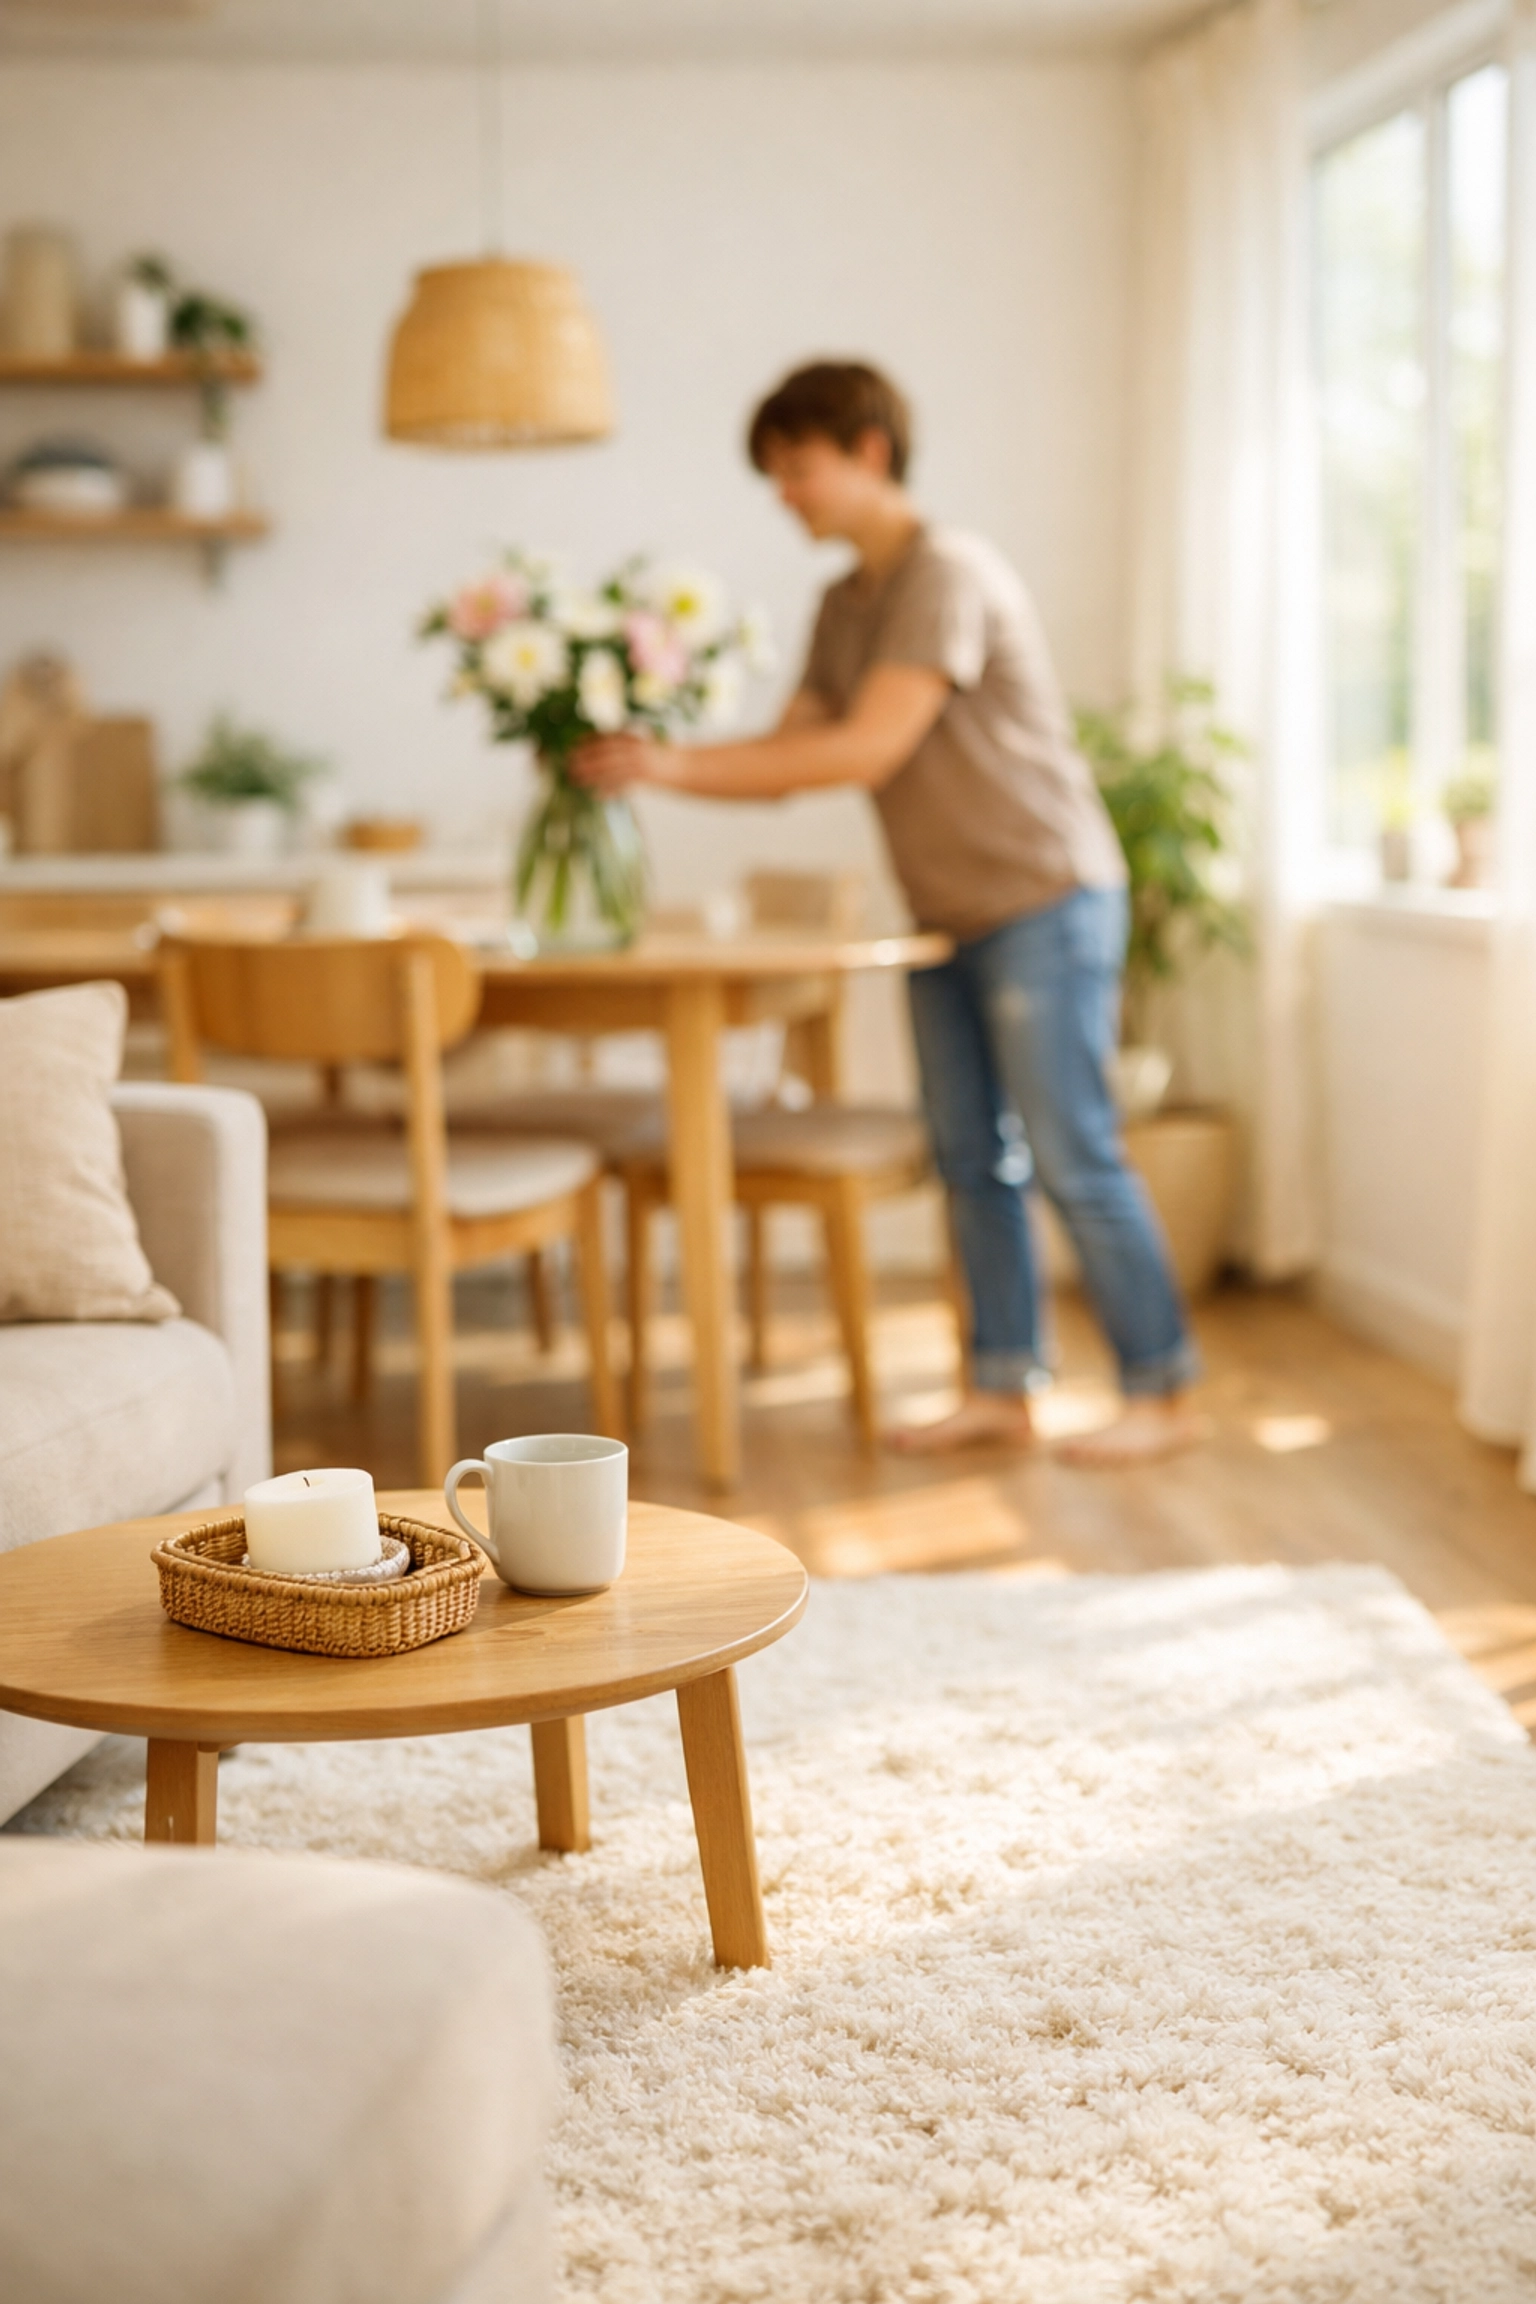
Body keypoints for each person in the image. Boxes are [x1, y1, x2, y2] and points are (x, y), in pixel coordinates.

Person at [573, 359, 1203, 1465]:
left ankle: (1161, 1389)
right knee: (970, 1156)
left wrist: (671, 766)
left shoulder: (946, 572)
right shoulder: (840, 604)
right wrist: (652, 757)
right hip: (944, 913)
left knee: (1073, 1151)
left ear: (869, 451)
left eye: (799, 469)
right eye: (774, 476)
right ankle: (1003, 1388)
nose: (787, 495)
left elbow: (867, 746)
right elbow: (786, 761)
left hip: (1045, 894)